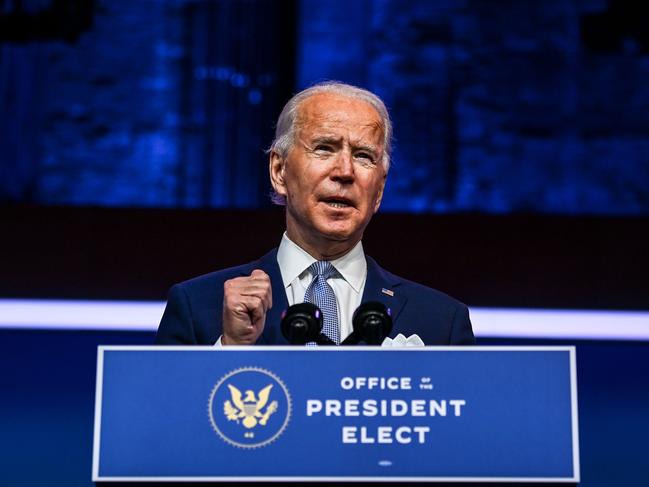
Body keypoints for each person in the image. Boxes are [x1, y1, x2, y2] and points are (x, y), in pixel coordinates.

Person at [155, 82, 475, 346]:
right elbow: (163, 420)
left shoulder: (441, 321)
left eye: (364, 156)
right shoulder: (198, 306)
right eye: (324, 148)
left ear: (378, 190)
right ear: (279, 171)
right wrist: (232, 350)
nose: (345, 171)